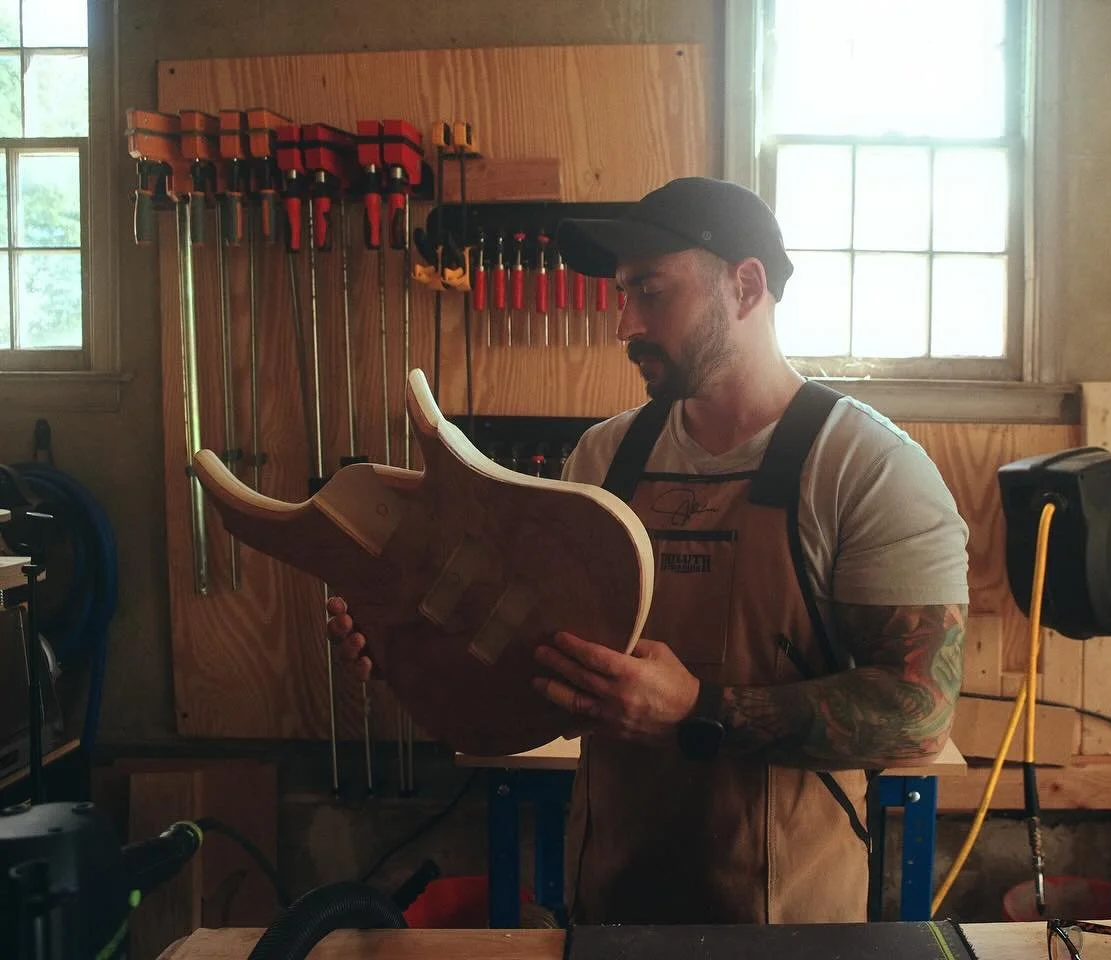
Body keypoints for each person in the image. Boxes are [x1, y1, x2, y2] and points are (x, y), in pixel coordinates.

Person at [327, 176, 970, 925]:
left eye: (649, 291)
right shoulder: (604, 456)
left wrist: (701, 711)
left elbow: (921, 710)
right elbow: (537, 656)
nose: (623, 322)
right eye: (620, 293)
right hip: (613, 901)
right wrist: (413, 636)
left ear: (746, 286)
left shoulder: (868, 468)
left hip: (789, 928)